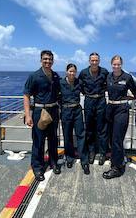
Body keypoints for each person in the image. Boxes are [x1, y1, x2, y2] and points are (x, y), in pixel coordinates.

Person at [23, 50, 61, 182]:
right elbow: (26, 95)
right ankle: (37, 167)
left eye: (50, 59)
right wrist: (28, 116)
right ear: (41, 60)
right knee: (38, 141)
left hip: (53, 111)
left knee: (53, 139)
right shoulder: (34, 76)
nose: (47, 61)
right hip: (40, 112)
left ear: (53, 61)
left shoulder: (56, 76)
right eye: (45, 59)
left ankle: (53, 162)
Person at [103, 55, 136, 179]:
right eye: (114, 64)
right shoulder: (108, 76)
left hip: (121, 110)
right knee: (112, 138)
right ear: (111, 64)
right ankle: (118, 160)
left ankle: (117, 168)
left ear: (121, 65)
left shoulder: (127, 77)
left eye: (118, 64)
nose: (116, 66)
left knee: (117, 139)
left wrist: (127, 98)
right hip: (110, 108)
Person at [78, 52, 109, 165]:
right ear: (89, 61)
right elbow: (80, 86)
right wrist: (87, 94)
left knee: (102, 129)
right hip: (89, 101)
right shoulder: (83, 73)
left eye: (96, 60)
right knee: (90, 129)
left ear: (99, 61)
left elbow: (108, 85)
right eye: (92, 60)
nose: (94, 62)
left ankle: (102, 153)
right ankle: (91, 152)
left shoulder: (104, 72)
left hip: (101, 101)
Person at [60, 63, 90, 174]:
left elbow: (86, 91)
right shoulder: (61, 83)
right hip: (66, 111)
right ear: (66, 71)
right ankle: (69, 158)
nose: (72, 73)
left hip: (77, 110)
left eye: (74, 71)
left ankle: (84, 161)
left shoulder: (79, 82)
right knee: (67, 135)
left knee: (81, 135)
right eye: (70, 71)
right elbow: (57, 96)